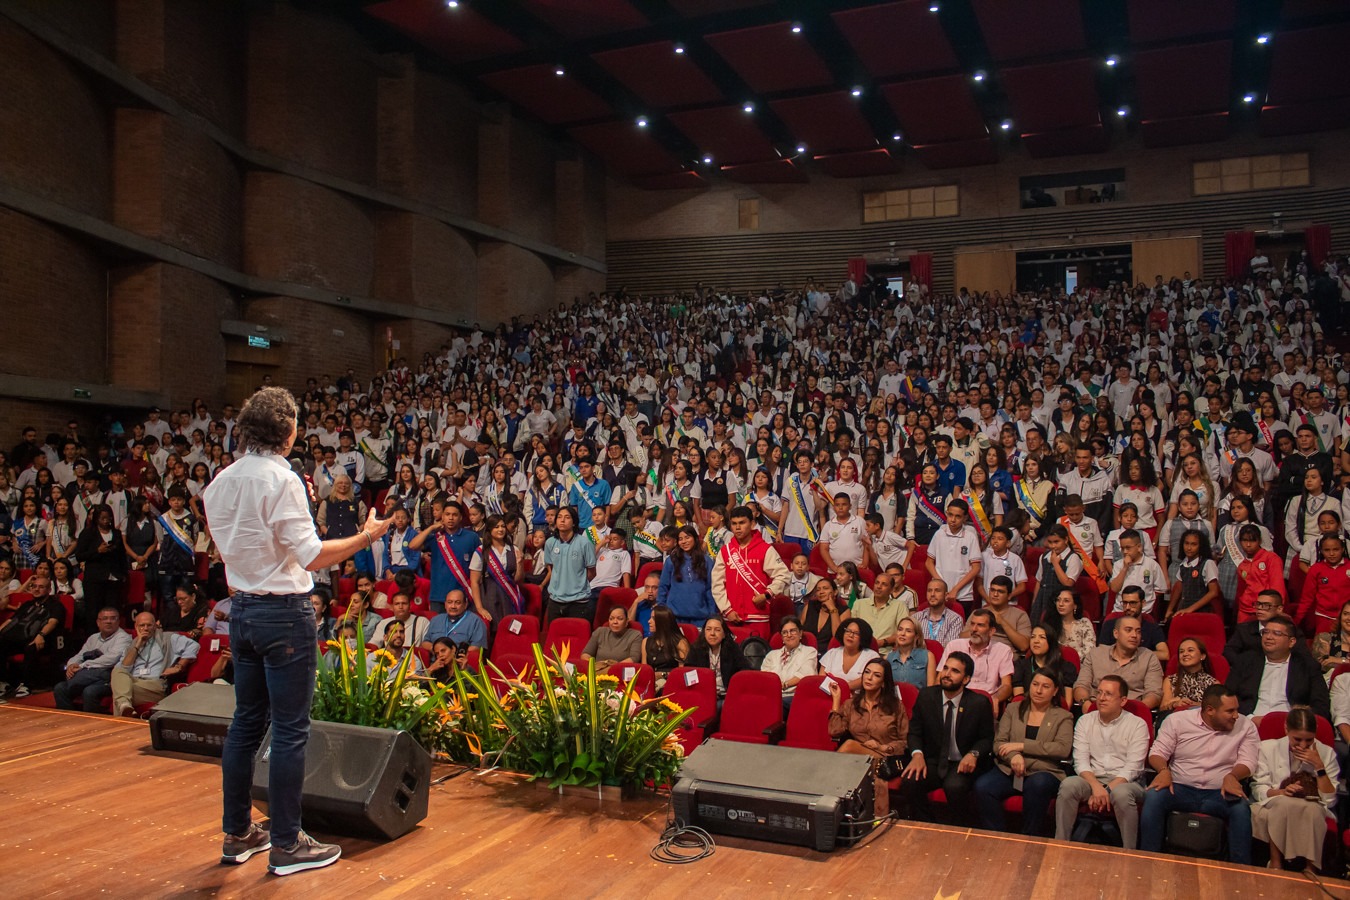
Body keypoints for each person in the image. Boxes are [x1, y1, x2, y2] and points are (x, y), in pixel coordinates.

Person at [203, 386, 394, 875]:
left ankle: (238, 833)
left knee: (245, 724)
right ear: (288, 432)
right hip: (284, 613)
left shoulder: (219, 482)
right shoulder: (281, 478)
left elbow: (230, 550)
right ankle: (287, 844)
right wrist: (367, 537)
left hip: (241, 611)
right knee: (290, 731)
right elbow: (312, 556)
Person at [1140, 684, 1260, 865]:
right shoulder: (1177, 721)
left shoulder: (1245, 726)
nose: (1236, 715)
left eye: (1237, 710)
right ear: (1210, 710)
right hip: (1180, 788)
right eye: (1230, 711)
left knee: (1240, 809)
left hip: (1219, 792)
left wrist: (1232, 776)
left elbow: (1249, 761)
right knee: (1153, 797)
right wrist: (1164, 771)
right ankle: (1148, 861)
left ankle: (1240, 869)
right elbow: (1157, 752)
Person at [898, 651, 996, 825]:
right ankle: (927, 826)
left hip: (962, 763)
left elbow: (987, 739)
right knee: (910, 781)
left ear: (966, 679)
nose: (947, 674)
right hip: (934, 760)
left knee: (954, 787)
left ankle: (958, 830)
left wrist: (974, 754)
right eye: (945, 668)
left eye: (955, 671)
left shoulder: (978, 703)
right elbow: (914, 731)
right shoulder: (927, 696)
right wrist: (917, 754)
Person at [973, 668, 1073, 835]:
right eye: (1035, 684)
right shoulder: (1013, 709)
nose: (1039, 690)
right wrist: (1014, 756)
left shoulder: (1063, 716)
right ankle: (998, 837)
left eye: (1045, 686)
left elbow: (1062, 749)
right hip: (1010, 767)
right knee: (983, 787)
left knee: (1037, 784)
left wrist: (1021, 746)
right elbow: (999, 743)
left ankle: (1029, 838)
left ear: (1055, 691)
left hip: (1044, 770)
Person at [1054, 674, 1150, 848]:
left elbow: (1133, 768)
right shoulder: (1085, 721)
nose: (1101, 698)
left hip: (1126, 782)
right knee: (1069, 785)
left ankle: (1131, 852)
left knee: (1121, 794)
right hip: (1092, 779)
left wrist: (1107, 789)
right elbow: (1080, 761)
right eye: (1099, 693)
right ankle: (1061, 845)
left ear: (1122, 700)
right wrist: (1096, 786)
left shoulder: (1137, 724)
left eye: (1108, 694)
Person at [1250, 706, 1340, 872]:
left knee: (1313, 809)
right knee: (1284, 804)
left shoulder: (1326, 753)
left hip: (1311, 805)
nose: (1303, 745)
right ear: (1286, 729)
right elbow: (1258, 788)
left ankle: (1311, 869)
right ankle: (1276, 864)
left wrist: (1319, 766)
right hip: (1276, 801)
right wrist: (1281, 792)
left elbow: (1329, 800)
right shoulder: (1267, 748)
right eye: (1297, 739)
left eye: (1309, 740)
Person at [827, 658, 909, 817]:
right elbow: (834, 731)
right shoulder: (851, 705)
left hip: (885, 759)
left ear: (884, 682)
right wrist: (836, 701)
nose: (869, 678)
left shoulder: (896, 707)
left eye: (876, 675)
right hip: (857, 761)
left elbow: (905, 741)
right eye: (867, 672)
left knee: (850, 745)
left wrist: (882, 747)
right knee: (854, 752)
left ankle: (829, 801)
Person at [1226, 614, 1331, 723]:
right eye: (1265, 632)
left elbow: (1321, 705)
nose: (1268, 637)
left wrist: (1296, 721)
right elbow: (1228, 696)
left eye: (1277, 633)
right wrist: (1250, 718)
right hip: (1250, 722)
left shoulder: (1307, 666)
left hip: (1292, 726)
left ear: (1291, 642)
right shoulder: (1245, 661)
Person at [710, 505, 789, 639]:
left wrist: (767, 595)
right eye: (734, 524)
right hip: (731, 617)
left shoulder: (765, 549)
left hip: (758, 618)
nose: (738, 527)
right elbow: (717, 584)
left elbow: (784, 576)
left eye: (742, 523)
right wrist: (726, 610)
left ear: (752, 523)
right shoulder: (725, 551)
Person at [112, 610, 199, 715]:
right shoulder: (132, 644)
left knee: (119, 691)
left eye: (149, 625)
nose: (145, 628)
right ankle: (124, 706)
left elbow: (193, 645)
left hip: (155, 685)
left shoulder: (167, 638)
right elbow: (124, 669)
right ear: (136, 627)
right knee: (117, 672)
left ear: (155, 625)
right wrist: (138, 644)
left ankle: (122, 715)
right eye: (142, 625)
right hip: (135, 682)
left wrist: (179, 666)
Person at [1074, 615, 1163, 709]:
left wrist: (1138, 711)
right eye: (1128, 630)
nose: (1134, 635)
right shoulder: (1095, 654)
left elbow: (1154, 694)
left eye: (1138, 631)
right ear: (1116, 633)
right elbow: (1081, 686)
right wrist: (1086, 704)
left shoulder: (1149, 658)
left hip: (1131, 713)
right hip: (1096, 709)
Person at [54, 605, 132, 711]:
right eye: (105, 618)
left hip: (109, 677)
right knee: (60, 688)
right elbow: (80, 655)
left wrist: (81, 666)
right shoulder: (93, 638)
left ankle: (92, 724)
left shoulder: (124, 638)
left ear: (118, 622)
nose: (109, 621)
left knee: (89, 691)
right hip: (88, 674)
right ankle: (69, 720)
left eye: (113, 618)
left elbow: (110, 659)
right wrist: (71, 665)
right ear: (98, 622)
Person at [410, 501, 480, 616]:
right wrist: (431, 528)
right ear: (442, 517)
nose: (451, 518)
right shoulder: (435, 536)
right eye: (447, 514)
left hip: (463, 595)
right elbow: (412, 546)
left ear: (461, 517)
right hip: (438, 595)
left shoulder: (472, 537)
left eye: (454, 515)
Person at [940, 608, 1014, 709]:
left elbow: (1007, 686)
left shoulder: (1003, 650)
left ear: (991, 631)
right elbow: (940, 677)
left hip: (984, 704)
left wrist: (994, 698)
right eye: (972, 624)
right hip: (954, 701)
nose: (974, 629)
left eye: (980, 625)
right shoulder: (954, 645)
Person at [540, 506, 598, 623]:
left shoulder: (585, 543)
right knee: (555, 640)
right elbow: (551, 568)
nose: (562, 520)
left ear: (574, 523)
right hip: (555, 600)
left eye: (567, 517)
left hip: (579, 601)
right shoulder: (550, 543)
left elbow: (591, 572)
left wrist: (577, 584)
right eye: (559, 517)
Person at [926, 500, 982, 606]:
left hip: (963, 594)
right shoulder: (939, 534)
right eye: (950, 515)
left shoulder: (970, 537)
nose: (953, 520)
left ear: (965, 518)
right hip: (939, 593)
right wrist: (941, 585)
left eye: (958, 516)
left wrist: (955, 589)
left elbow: (976, 568)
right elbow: (929, 562)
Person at [658, 525, 716, 627]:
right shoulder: (671, 560)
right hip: (675, 617)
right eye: (680, 539)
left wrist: (712, 613)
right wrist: (661, 608)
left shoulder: (707, 561)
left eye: (687, 537)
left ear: (695, 538)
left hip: (700, 617)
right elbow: (663, 586)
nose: (684, 541)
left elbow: (710, 589)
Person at [1012, 624, 1076, 708]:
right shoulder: (1021, 666)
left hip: (1056, 714)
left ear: (1051, 641)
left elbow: (1066, 704)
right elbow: (1019, 700)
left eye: (1042, 637)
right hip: (1027, 712)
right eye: (1033, 637)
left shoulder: (1066, 668)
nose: (1036, 641)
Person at [762, 615, 818, 712]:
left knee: (776, 705)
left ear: (800, 633)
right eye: (785, 632)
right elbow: (765, 678)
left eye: (793, 631)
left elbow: (805, 675)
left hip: (795, 697)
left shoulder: (809, 652)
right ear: (781, 637)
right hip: (773, 696)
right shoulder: (771, 655)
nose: (789, 635)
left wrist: (784, 685)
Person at [684, 616, 747, 698]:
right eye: (708, 629)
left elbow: (744, 671)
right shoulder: (696, 649)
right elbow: (688, 674)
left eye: (717, 630)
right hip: (703, 695)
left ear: (724, 634)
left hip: (727, 696)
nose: (712, 633)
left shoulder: (732, 649)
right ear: (704, 632)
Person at [819, 618, 881, 692]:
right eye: (848, 631)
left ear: (863, 637)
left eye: (856, 633)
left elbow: (868, 679)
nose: (851, 635)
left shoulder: (871, 656)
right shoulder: (832, 653)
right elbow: (821, 677)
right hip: (830, 694)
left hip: (858, 698)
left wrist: (842, 688)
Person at [850, 571, 909, 648]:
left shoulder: (899, 606)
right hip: (861, 650)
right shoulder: (859, 604)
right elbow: (851, 629)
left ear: (891, 590)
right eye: (877, 583)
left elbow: (903, 632)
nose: (879, 586)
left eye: (884, 584)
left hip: (886, 652)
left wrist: (884, 642)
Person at [1160, 637, 1220, 712]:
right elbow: (1162, 708)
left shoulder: (1213, 684)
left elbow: (1217, 710)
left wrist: (1194, 705)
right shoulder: (1170, 681)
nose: (1185, 654)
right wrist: (1175, 704)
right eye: (1181, 652)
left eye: (1190, 650)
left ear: (1202, 656)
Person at [421, 589, 488, 652]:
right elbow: (425, 642)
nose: (453, 606)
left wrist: (453, 653)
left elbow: (477, 648)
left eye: (457, 603)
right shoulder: (436, 620)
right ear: (445, 604)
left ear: (465, 604)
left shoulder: (475, 621)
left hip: (459, 662)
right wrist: (436, 649)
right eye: (449, 602)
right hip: (435, 661)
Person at [582, 605, 642, 674]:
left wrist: (613, 669)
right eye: (611, 618)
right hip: (598, 673)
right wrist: (595, 665)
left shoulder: (635, 635)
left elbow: (634, 658)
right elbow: (585, 654)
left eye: (620, 619)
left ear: (627, 621)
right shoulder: (600, 632)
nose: (615, 622)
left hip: (620, 673)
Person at [640, 605, 689, 689]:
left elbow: (683, 674)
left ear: (663, 622)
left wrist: (663, 675)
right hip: (651, 683)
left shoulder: (680, 643)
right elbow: (644, 670)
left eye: (653, 619)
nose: (649, 621)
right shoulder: (646, 641)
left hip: (671, 683)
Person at [886, 616, 934, 690]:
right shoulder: (888, 658)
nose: (903, 633)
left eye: (908, 631)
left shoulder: (927, 656)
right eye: (900, 629)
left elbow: (931, 690)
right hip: (893, 700)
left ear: (916, 636)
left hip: (920, 700)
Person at [917, 577, 965, 647]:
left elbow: (951, 648)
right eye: (929, 590)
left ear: (946, 595)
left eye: (937, 591)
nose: (932, 594)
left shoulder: (955, 619)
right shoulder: (916, 617)